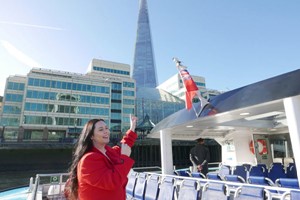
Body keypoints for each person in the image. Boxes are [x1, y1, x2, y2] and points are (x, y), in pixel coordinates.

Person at [65, 114, 138, 200]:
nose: (106, 131)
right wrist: (124, 157)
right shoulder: (88, 160)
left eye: (106, 128)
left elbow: (124, 145)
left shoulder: (108, 151)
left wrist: (132, 128)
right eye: (101, 129)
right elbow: (112, 182)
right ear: (91, 136)